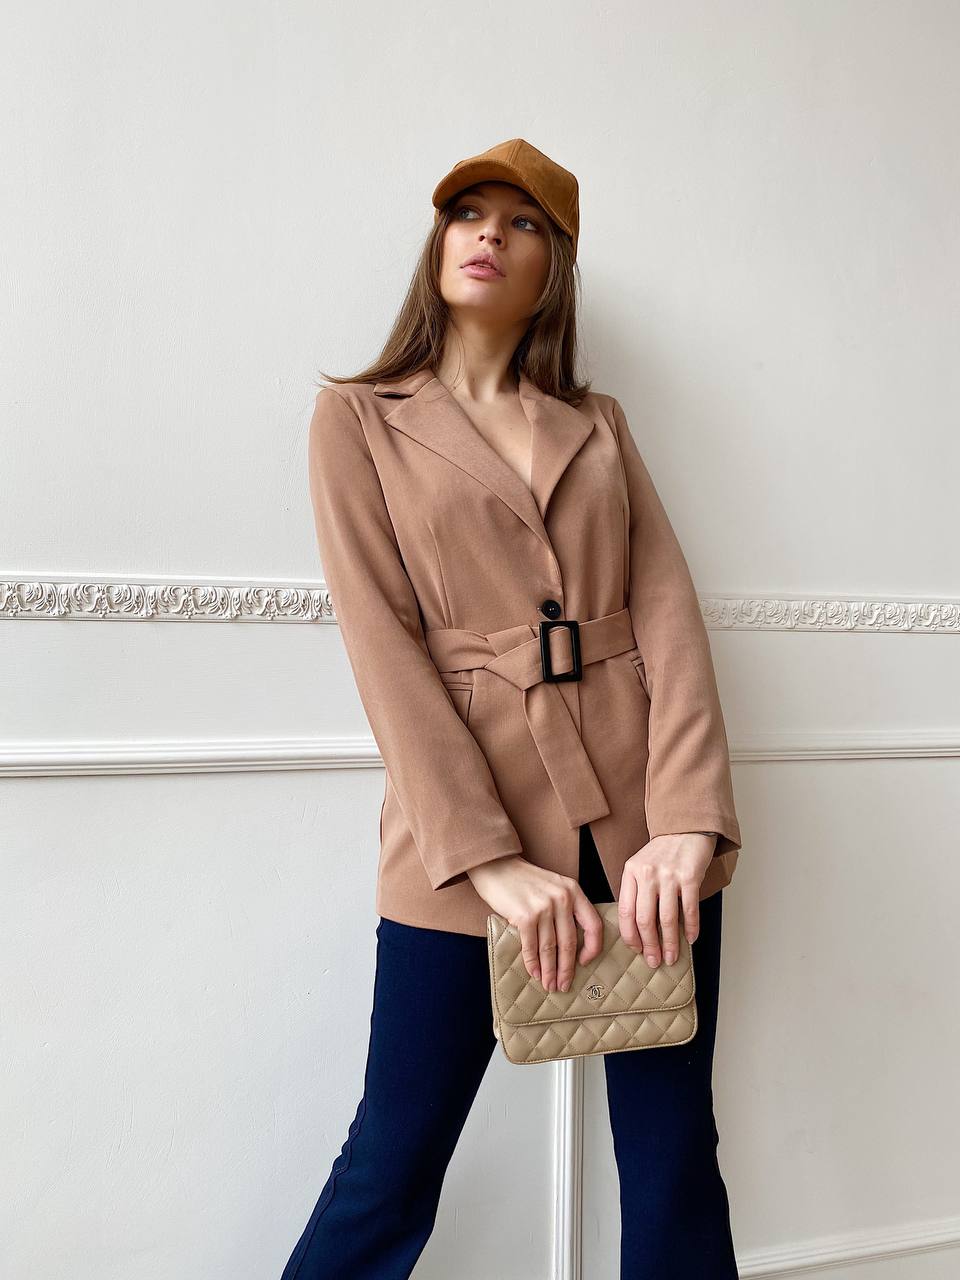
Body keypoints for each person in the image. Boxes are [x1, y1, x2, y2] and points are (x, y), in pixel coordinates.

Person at [280, 137, 743, 1280]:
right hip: (460, 847)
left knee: (676, 1155)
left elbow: (666, 610)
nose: (489, 234)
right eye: (469, 213)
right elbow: (383, 647)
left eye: (523, 222)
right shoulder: (358, 419)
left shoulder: (601, 423)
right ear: (439, 242)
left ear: (556, 264)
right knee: (391, 1162)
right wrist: (490, 861)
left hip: (641, 836)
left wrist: (687, 819)